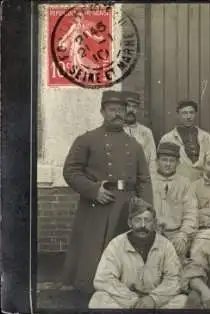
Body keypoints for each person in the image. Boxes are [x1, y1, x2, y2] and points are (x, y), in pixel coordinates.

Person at [61, 90, 153, 295]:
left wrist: (147, 210)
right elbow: (70, 171)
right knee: (93, 252)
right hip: (98, 203)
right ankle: (89, 291)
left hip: (126, 206)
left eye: (121, 109)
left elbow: (144, 180)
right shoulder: (87, 139)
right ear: (102, 111)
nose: (118, 114)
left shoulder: (134, 145)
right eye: (112, 110)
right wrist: (93, 190)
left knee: (124, 251)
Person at [88, 197, 187, 309]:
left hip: (154, 302)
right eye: (138, 220)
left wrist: (153, 299)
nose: (143, 225)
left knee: (182, 301)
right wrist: (132, 301)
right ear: (130, 223)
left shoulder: (166, 245)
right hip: (125, 301)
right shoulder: (116, 244)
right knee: (99, 299)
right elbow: (104, 279)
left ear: (154, 223)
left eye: (147, 220)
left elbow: (174, 279)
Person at [151, 141, 197, 262]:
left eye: (171, 161)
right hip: (153, 234)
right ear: (157, 161)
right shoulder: (148, 182)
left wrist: (183, 235)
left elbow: (191, 213)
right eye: (164, 160)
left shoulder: (185, 183)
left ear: (178, 163)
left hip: (176, 235)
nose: (167, 164)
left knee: (176, 265)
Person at [158, 100, 210, 182]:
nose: (188, 116)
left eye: (191, 113)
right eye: (184, 113)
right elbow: (161, 164)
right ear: (178, 115)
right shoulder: (168, 138)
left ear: (195, 114)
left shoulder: (206, 137)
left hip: (203, 181)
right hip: (178, 181)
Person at [122, 91, 157, 171]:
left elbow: (152, 160)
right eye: (127, 106)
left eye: (134, 107)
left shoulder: (146, 132)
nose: (131, 110)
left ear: (138, 109)